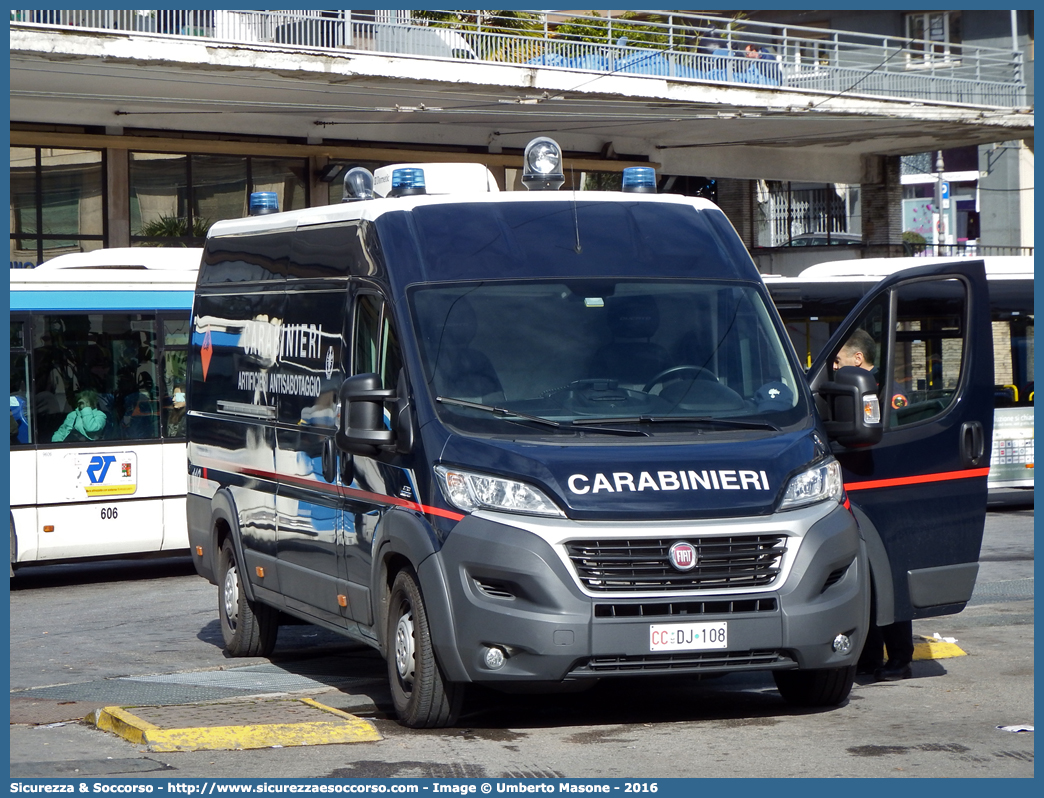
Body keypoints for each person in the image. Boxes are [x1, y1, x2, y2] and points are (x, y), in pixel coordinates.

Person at [837, 330, 916, 681]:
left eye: (838, 361)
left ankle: (899, 658)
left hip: (887, 495)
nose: (834, 367)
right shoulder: (857, 391)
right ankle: (869, 658)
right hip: (859, 493)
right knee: (867, 582)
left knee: (891, 578)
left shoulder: (886, 395)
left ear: (857, 360)